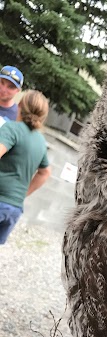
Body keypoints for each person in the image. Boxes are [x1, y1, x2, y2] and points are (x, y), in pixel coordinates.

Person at [0, 90, 51, 244]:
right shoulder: (40, 141)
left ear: (20, 105)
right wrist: (22, 194)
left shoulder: (12, 129)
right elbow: (45, 172)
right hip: (14, 208)